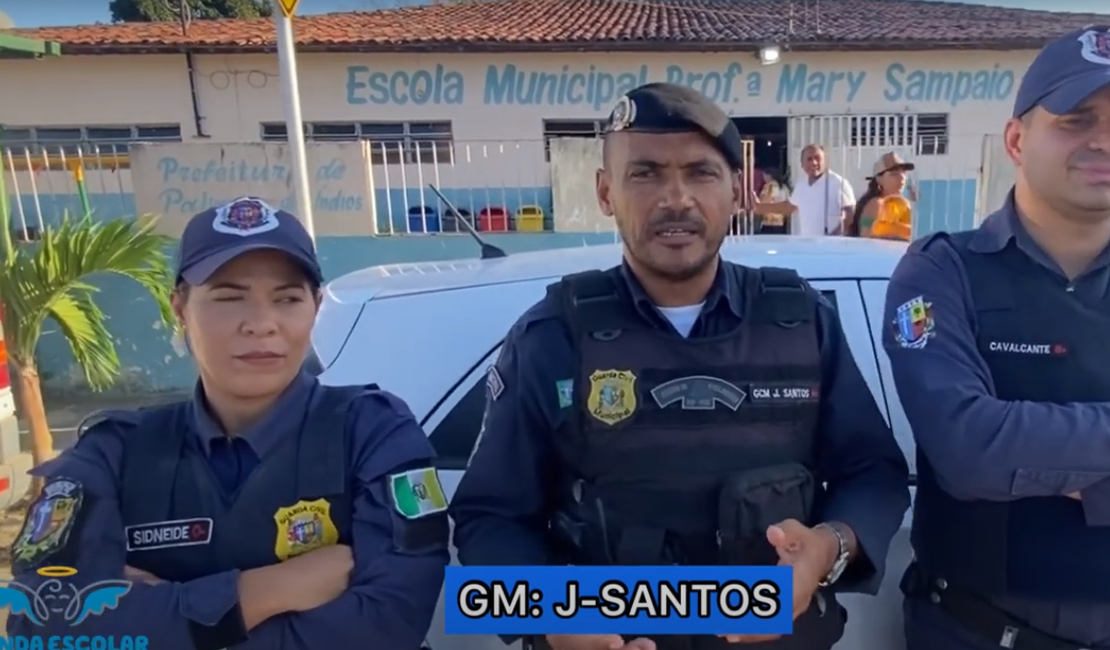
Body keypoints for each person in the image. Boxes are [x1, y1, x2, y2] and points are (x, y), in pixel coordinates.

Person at [451, 82, 911, 650]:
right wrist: (551, 617)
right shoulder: (551, 338)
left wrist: (827, 548)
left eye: (700, 172)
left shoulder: (802, 321)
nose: (676, 198)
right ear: (604, 191)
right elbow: (487, 519)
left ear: (739, 189)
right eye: (644, 173)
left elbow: (874, 473)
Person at [5, 197, 450, 649]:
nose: (261, 324)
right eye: (229, 297)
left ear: (315, 307)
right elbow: (42, 624)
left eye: (287, 299)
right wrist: (264, 592)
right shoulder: (116, 452)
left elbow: (388, 623)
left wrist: (162, 614)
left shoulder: (370, 433)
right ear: (179, 309)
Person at [882, 25, 1110, 650]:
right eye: (1076, 118)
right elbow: (970, 450)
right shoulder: (943, 271)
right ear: (1016, 139)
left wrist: (1047, 455)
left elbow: (1002, 447)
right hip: (977, 634)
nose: (1103, 140)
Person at [750, 144, 856, 236]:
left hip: (832, 248)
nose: (814, 163)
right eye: (809, 159)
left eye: (817, 158)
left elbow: (850, 213)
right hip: (808, 246)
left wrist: (835, 235)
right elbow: (789, 207)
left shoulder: (838, 183)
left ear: (825, 161)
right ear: (802, 164)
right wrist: (760, 208)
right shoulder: (801, 184)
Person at [848, 152, 918, 240]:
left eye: (903, 172)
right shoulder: (876, 204)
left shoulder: (902, 205)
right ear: (879, 179)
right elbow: (866, 234)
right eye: (894, 174)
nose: (902, 177)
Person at [757, 169, 792, 234]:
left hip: (768, 223)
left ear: (769, 176)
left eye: (764, 175)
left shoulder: (768, 187)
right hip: (780, 222)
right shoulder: (784, 188)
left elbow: (764, 203)